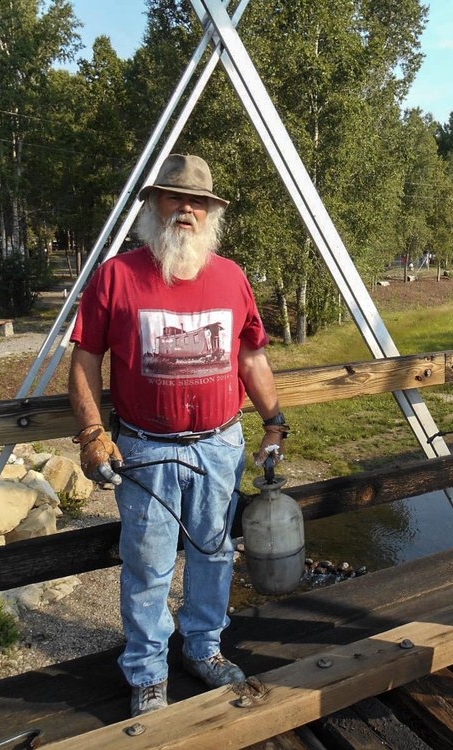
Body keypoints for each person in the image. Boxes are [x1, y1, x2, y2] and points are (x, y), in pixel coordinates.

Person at [68, 154, 288, 717]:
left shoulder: (232, 276)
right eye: (174, 198)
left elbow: (250, 356)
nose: (186, 209)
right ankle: (146, 672)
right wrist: (93, 432)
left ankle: (204, 651)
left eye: (198, 202)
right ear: (154, 205)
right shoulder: (118, 275)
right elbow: (86, 357)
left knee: (215, 553)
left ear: (211, 212)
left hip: (220, 444)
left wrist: (274, 419)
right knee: (147, 563)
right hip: (145, 449)